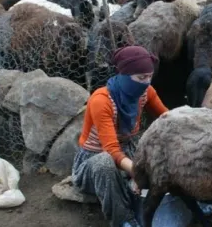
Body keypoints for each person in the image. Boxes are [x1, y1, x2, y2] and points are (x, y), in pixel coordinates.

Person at [71, 45, 204, 227]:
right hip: (94, 161)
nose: (147, 82)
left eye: (149, 77)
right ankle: (124, 220)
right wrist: (138, 172)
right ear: (125, 75)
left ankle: (194, 203)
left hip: (129, 151)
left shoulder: (145, 92)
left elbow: (167, 118)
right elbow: (110, 150)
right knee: (104, 164)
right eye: (141, 77)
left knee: (167, 151)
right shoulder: (101, 101)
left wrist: (194, 128)